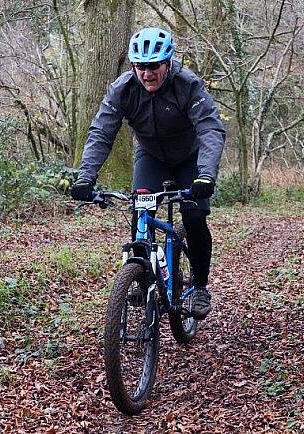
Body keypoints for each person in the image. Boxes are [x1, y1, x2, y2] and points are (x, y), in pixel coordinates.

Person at [70, 27, 226, 320]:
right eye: (140, 66)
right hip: (151, 155)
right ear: (133, 66)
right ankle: (141, 273)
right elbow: (101, 132)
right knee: (140, 209)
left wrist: (206, 175)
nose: (147, 73)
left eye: (154, 66)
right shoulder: (123, 89)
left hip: (190, 158)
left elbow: (210, 128)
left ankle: (201, 287)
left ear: (167, 63)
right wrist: (85, 177)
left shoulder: (187, 85)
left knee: (193, 216)